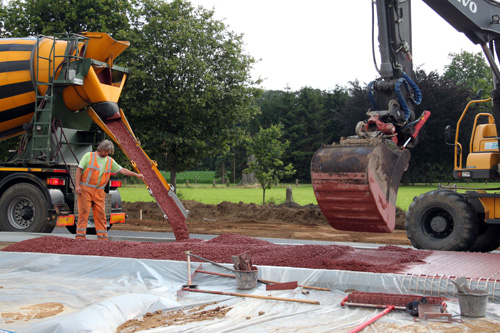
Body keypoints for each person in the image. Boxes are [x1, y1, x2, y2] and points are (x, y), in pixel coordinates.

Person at [74, 140, 144, 240]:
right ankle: (80, 238)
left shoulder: (109, 161)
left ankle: (102, 238)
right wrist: (77, 186)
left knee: (101, 216)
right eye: (106, 151)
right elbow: (79, 170)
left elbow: (122, 169)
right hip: (85, 190)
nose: (107, 154)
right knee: (83, 214)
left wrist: (136, 175)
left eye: (108, 152)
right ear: (101, 149)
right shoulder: (88, 156)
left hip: (99, 192)